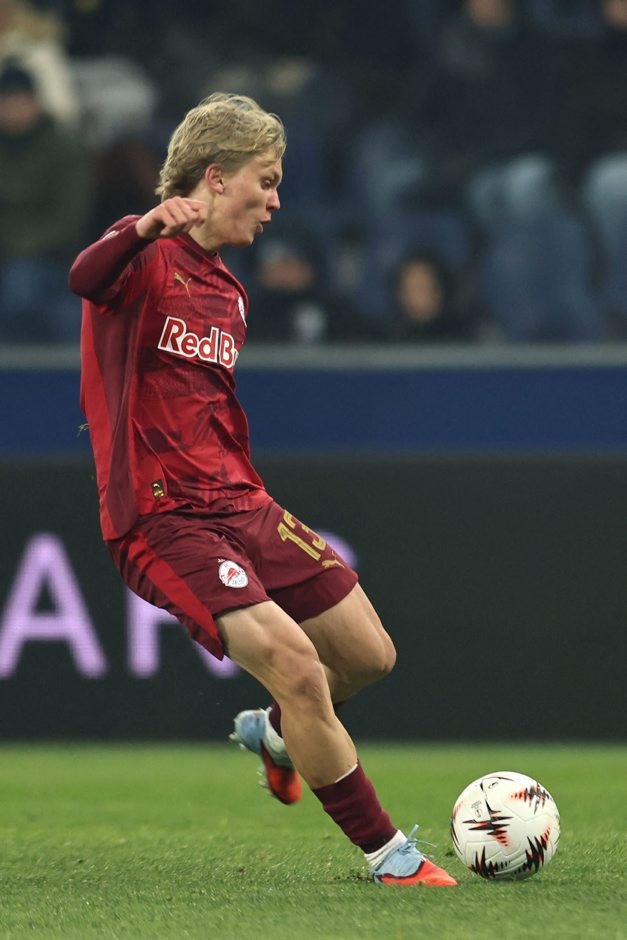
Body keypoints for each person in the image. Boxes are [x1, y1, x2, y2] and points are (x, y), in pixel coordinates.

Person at [68, 92, 457, 888]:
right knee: (298, 667)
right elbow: (83, 275)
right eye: (266, 180)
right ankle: (389, 856)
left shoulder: (230, 293)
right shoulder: (140, 255)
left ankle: (278, 736)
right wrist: (142, 227)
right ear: (215, 177)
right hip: (161, 518)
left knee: (367, 655)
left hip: (241, 504)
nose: (276, 201)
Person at [0, 60, 90, 342]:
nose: (14, 110)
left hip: (54, 261)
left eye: (20, 101)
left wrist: (20, 249)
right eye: (7, 102)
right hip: (6, 258)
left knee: (22, 286)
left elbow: (69, 220)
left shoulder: (64, 149)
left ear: (36, 103)